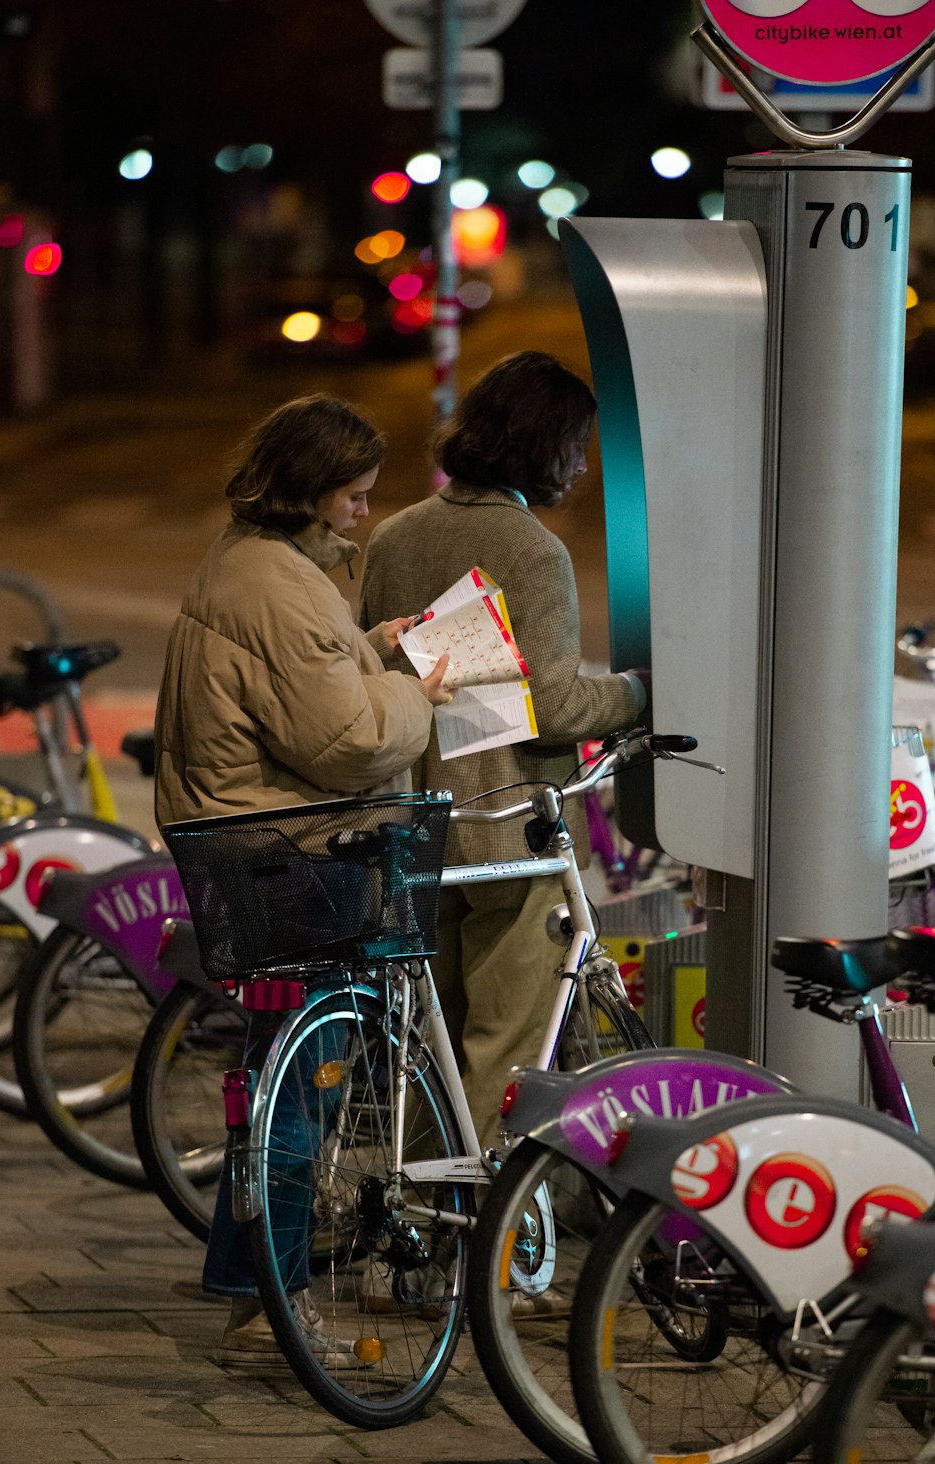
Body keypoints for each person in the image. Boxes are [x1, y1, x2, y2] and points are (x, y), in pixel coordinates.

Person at [154, 392, 451, 1368]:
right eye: (355, 496)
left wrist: (370, 649)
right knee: (308, 1090)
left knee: (286, 1065)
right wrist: (417, 692)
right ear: (314, 492)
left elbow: (295, 686)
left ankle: (250, 1281)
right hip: (297, 848)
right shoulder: (279, 583)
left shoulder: (254, 564)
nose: (365, 513)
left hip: (251, 838)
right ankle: (269, 1286)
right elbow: (343, 741)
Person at [359, 351, 647, 1152]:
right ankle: (485, 1240)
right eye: (577, 445)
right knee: (506, 1045)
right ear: (546, 445)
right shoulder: (530, 550)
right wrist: (636, 692)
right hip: (506, 825)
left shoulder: (395, 535)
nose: (583, 464)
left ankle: (417, 1231)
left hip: (414, 816)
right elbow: (553, 706)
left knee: (432, 1041)